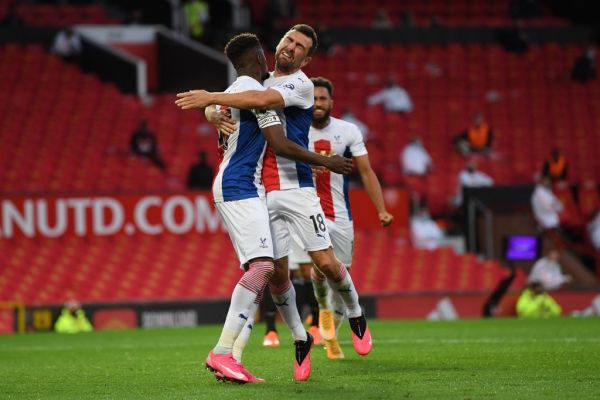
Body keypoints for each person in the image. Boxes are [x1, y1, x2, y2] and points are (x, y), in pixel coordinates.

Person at [176, 24, 374, 372]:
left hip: (297, 185)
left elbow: (261, 102)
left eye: (300, 47)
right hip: (261, 189)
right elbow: (235, 99)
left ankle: (356, 313)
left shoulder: (300, 84)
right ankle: (300, 337)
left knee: (325, 264)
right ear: (278, 43)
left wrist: (211, 99)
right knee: (276, 273)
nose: (291, 48)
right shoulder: (257, 78)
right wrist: (212, 112)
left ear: (307, 57)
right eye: (288, 40)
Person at [292, 77, 394, 359]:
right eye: (313, 99)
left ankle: (330, 331)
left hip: (341, 215)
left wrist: (381, 209)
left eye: (322, 99)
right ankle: (327, 310)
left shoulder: (348, 131)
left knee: (339, 274)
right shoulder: (295, 130)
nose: (317, 104)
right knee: (320, 266)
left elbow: (366, 171)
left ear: (331, 102)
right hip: (308, 211)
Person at [531, 175, 564, 247]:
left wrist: (557, 206)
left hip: (552, 223)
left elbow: (560, 206)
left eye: (549, 180)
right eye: (545, 180)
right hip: (547, 224)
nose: (548, 182)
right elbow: (550, 208)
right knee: (548, 245)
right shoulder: (538, 194)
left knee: (556, 244)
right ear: (540, 181)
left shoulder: (547, 192)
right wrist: (556, 206)